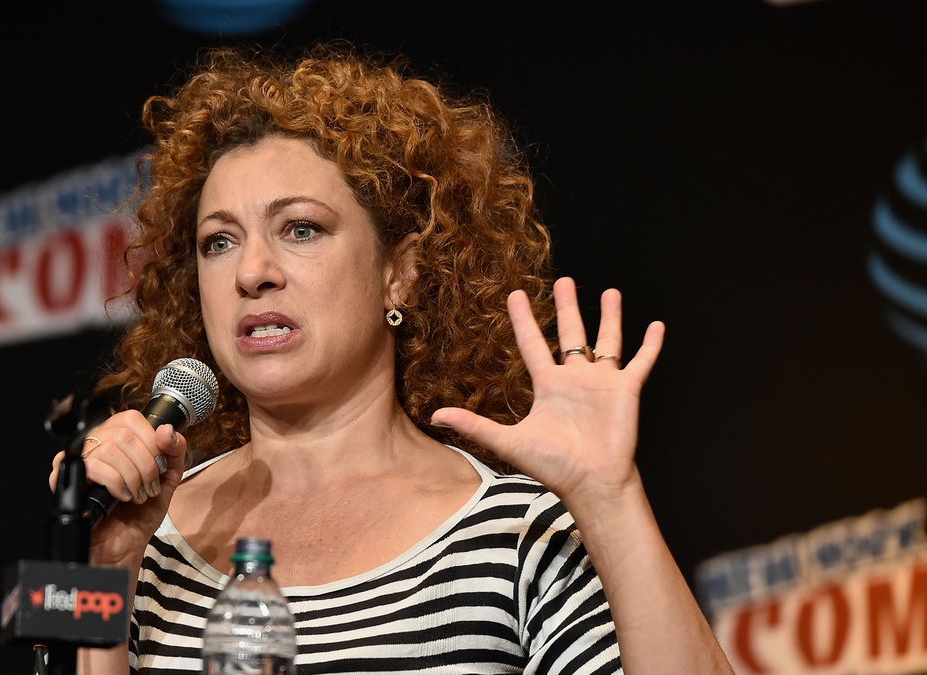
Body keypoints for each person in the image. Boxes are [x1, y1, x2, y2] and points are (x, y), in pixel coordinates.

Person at [49, 43, 734, 674]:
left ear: (398, 274)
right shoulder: (141, 540)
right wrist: (107, 564)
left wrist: (608, 501)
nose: (252, 272)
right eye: (218, 242)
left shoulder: (516, 534)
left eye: (300, 228)